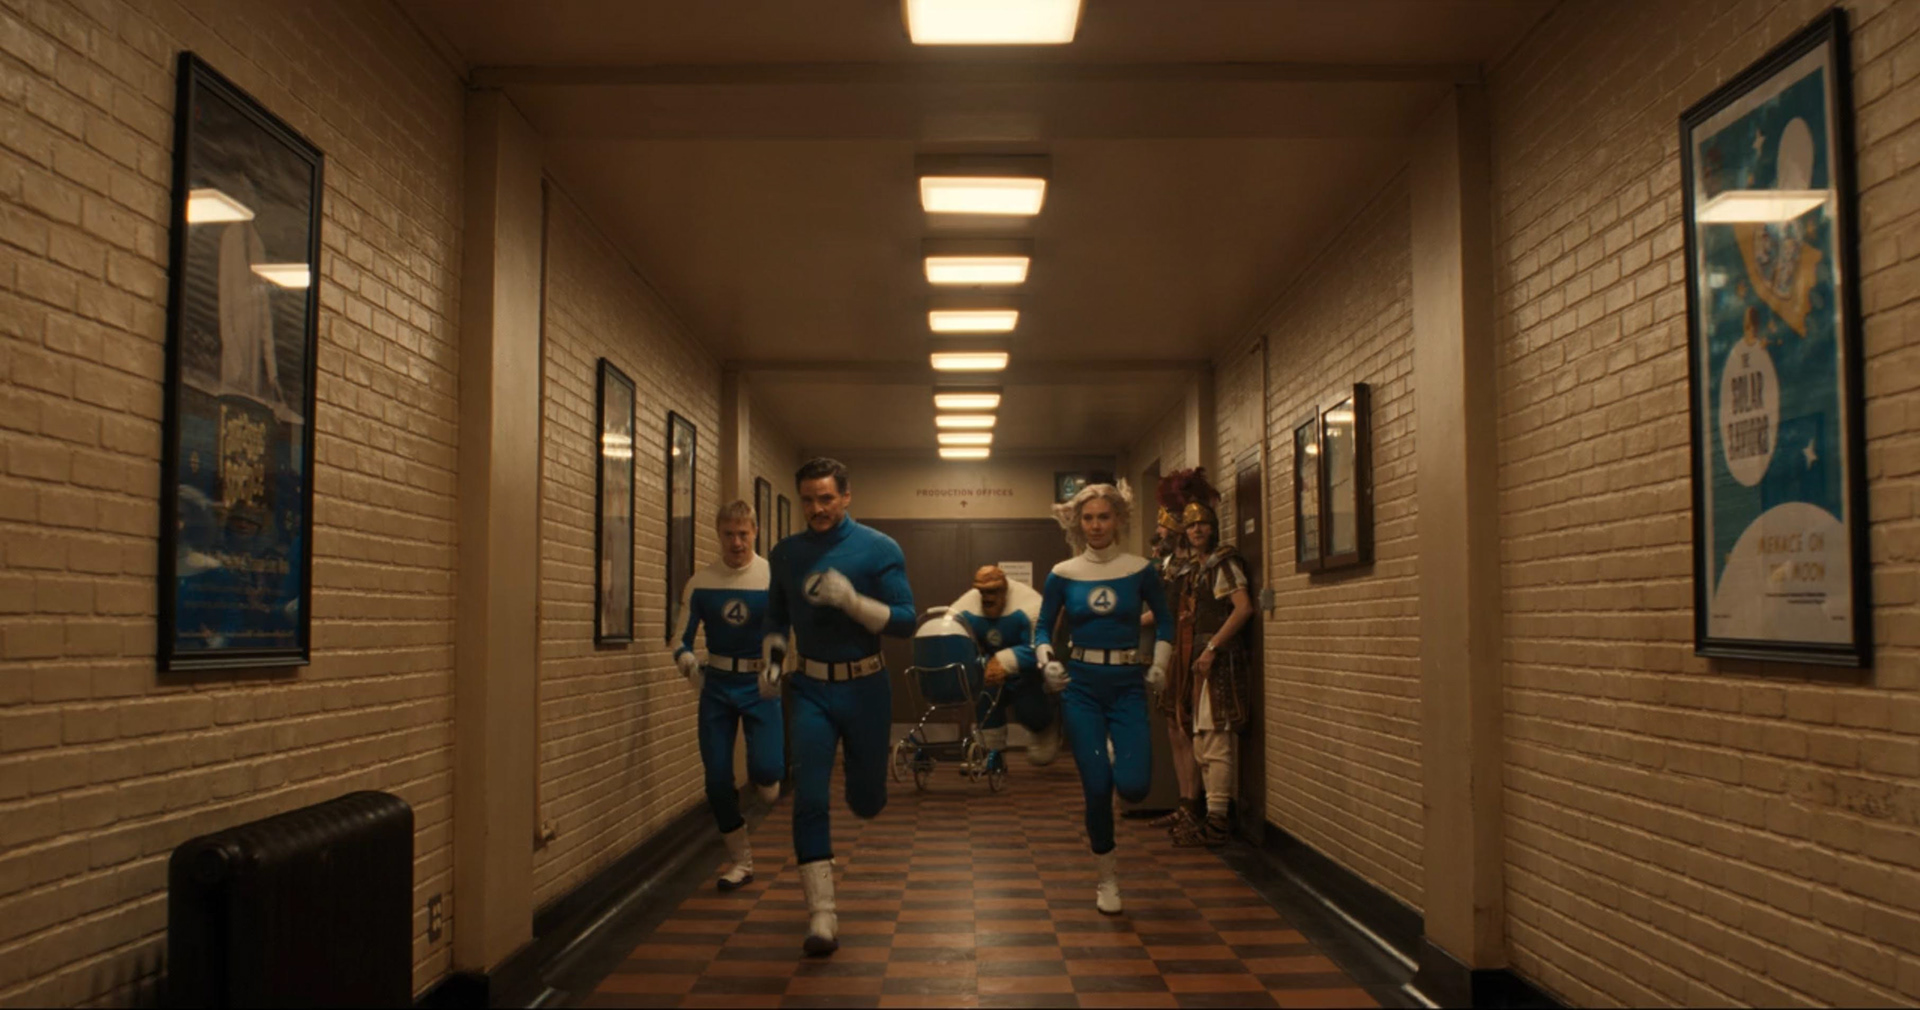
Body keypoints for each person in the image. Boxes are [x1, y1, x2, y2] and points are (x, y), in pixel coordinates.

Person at [762, 457, 915, 955]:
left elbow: (906, 620)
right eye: (808, 500)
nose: (817, 508)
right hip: (810, 688)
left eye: (826, 498)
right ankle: (821, 914)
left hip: (866, 688)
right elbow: (776, 618)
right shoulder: (786, 553)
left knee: (866, 800)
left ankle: (864, 784)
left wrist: (853, 602)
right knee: (808, 795)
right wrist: (772, 661)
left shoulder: (878, 548)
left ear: (846, 496)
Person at [1034, 481, 1173, 914]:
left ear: (1119, 519)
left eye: (1104, 517)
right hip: (1081, 689)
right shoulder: (1063, 573)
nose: (1096, 525)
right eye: (1088, 518)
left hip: (1128, 686)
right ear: (1078, 523)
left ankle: (1114, 752)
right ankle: (1107, 878)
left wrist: (1161, 664)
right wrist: (1046, 662)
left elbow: (1166, 622)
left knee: (1134, 788)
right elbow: (1042, 628)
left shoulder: (1140, 569)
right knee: (1096, 788)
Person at [675, 501, 784, 890]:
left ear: (755, 532)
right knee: (717, 779)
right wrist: (689, 665)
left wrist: (775, 666)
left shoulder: (772, 578)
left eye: (743, 534)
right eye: (728, 534)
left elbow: (782, 630)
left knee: (768, 776)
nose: (736, 542)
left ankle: (765, 776)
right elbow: (679, 640)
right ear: (718, 535)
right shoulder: (701, 582)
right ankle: (741, 861)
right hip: (717, 687)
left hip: (760, 684)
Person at [1170, 485, 1257, 847]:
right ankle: (1210, 814)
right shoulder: (1196, 568)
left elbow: (1243, 608)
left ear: (1213, 527)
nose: (1197, 530)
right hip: (1200, 659)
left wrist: (1213, 647)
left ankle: (1219, 821)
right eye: (1191, 526)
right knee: (1202, 740)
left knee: (1216, 738)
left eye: (1203, 524)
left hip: (1219, 659)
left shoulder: (1223, 561)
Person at [947, 564, 1062, 769]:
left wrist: (1006, 661)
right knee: (985, 700)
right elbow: (951, 635)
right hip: (989, 670)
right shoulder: (965, 607)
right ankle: (992, 755)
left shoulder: (1030, 605)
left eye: (993, 591)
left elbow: (1040, 645)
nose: (987, 598)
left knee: (1030, 710)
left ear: (1004, 588)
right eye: (982, 591)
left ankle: (1044, 727)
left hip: (1026, 673)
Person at [1145, 473, 1204, 836]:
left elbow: (1166, 612)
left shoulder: (1192, 567)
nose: (1159, 532)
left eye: (1164, 525)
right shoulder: (1169, 566)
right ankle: (1183, 802)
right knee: (1172, 725)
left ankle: (1193, 805)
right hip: (1168, 649)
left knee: (1185, 726)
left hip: (1186, 649)